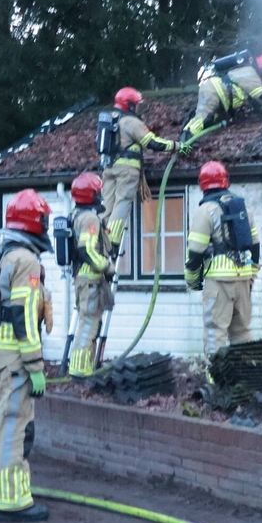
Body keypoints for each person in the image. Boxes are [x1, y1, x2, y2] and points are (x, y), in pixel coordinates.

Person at [0, 188, 53, 522]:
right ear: (34, 222)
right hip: (15, 360)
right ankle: (14, 502)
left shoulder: (0, 252)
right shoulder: (26, 260)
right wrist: (35, 364)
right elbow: (24, 314)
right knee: (15, 427)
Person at [184, 161, 260, 356]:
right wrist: (252, 274)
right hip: (243, 278)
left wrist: (192, 280)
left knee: (215, 332)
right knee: (242, 332)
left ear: (203, 184)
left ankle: (216, 380)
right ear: (226, 181)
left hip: (219, 282)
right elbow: (255, 246)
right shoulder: (244, 208)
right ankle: (244, 377)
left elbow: (195, 252)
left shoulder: (205, 211)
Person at [99, 87, 186, 259]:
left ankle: (100, 241)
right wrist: (177, 146)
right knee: (122, 203)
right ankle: (113, 242)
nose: (138, 108)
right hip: (127, 170)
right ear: (129, 105)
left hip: (108, 169)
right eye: (136, 105)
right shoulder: (131, 123)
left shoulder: (110, 119)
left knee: (106, 205)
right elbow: (152, 142)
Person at [180, 52, 262, 144]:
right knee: (203, 118)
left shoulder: (248, 74)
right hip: (213, 90)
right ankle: (184, 143)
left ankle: (190, 134)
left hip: (221, 97)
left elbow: (256, 103)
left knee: (210, 120)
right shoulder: (250, 74)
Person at [66, 172, 114, 379]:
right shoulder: (90, 218)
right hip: (91, 279)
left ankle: (86, 369)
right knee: (88, 325)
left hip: (82, 279)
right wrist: (107, 266)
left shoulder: (76, 215)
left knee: (89, 322)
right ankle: (79, 372)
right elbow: (87, 249)